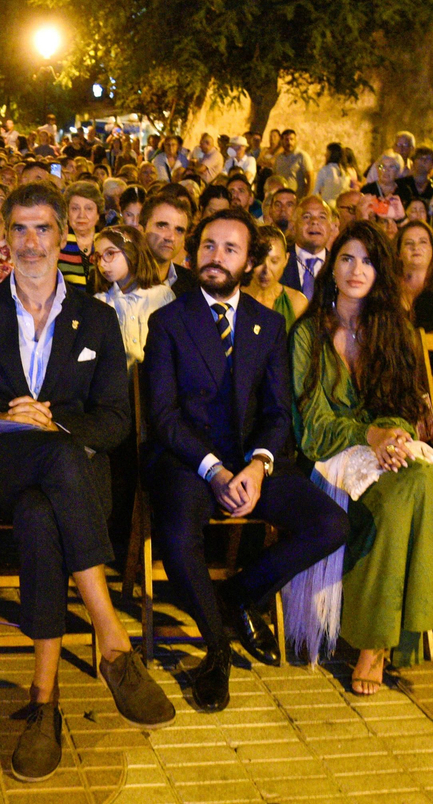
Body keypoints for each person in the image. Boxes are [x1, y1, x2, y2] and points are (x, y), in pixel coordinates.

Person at [0, 182, 174, 783]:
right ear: (5, 237)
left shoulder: (98, 318)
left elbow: (115, 421)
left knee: (43, 511)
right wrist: (4, 418)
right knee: (53, 464)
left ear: (64, 237)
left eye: (43, 229)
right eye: (20, 229)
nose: (31, 242)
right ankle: (112, 641)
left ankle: (43, 702)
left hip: (76, 480)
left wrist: (53, 421)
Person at [143, 209, 349, 711]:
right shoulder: (168, 321)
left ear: (250, 261)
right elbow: (163, 416)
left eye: (230, 249)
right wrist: (213, 470)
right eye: (208, 246)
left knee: (331, 523)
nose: (216, 257)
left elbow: (278, 412)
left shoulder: (268, 324)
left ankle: (238, 595)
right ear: (194, 253)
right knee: (177, 535)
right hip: (187, 459)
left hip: (251, 460)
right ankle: (216, 648)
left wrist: (257, 467)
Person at [290, 221, 433, 694]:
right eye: (347, 258)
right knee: (419, 485)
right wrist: (370, 433)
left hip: (384, 454)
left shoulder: (395, 331)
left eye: (369, 261)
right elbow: (310, 426)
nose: (357, 270)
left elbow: (402, 406)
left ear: (382, 272)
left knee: (418, 477)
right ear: (332, 267)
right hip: (327, 460)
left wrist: (392, 434)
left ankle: (374, 643)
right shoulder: (308, 333)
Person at [91, 223, 175, 366]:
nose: (102, 264)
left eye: (110, 254)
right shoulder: (100, 302)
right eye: (98, 257)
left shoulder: (162, 296)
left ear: (133, 253)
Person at [244, 224, 308, 323]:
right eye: (260, 261)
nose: (266, 270)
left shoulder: (296, 302)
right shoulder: (233, 297)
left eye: (274, 261)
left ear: (286, 259)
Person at [142, 187, 198, 295]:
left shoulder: (193, 285)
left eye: (179, 230)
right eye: (162, 226)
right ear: (142, 229)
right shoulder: (118, 278)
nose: (171, 237)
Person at [282, 195, 333, 299]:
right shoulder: (280, 261)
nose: (315, 221)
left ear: (330, 227)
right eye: (306, 216)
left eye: (322, 217)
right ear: (293, 226)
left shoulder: (337, 265)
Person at [60, 181, 103, 286]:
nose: (81, 215)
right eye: (75, 209)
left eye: (89, 209)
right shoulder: (58, 242)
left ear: (98, 214)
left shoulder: (107, 243)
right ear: (67, 213)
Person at [272, 129, 312, 197]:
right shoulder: (279, 158)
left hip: (297, 198)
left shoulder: (302, 156)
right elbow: (274, 177)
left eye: (292, 139)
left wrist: (306, 197)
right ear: (282, 141)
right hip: (281, 198)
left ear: (295, 140)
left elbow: (310, 178)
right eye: (286, 140)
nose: (289, 142)